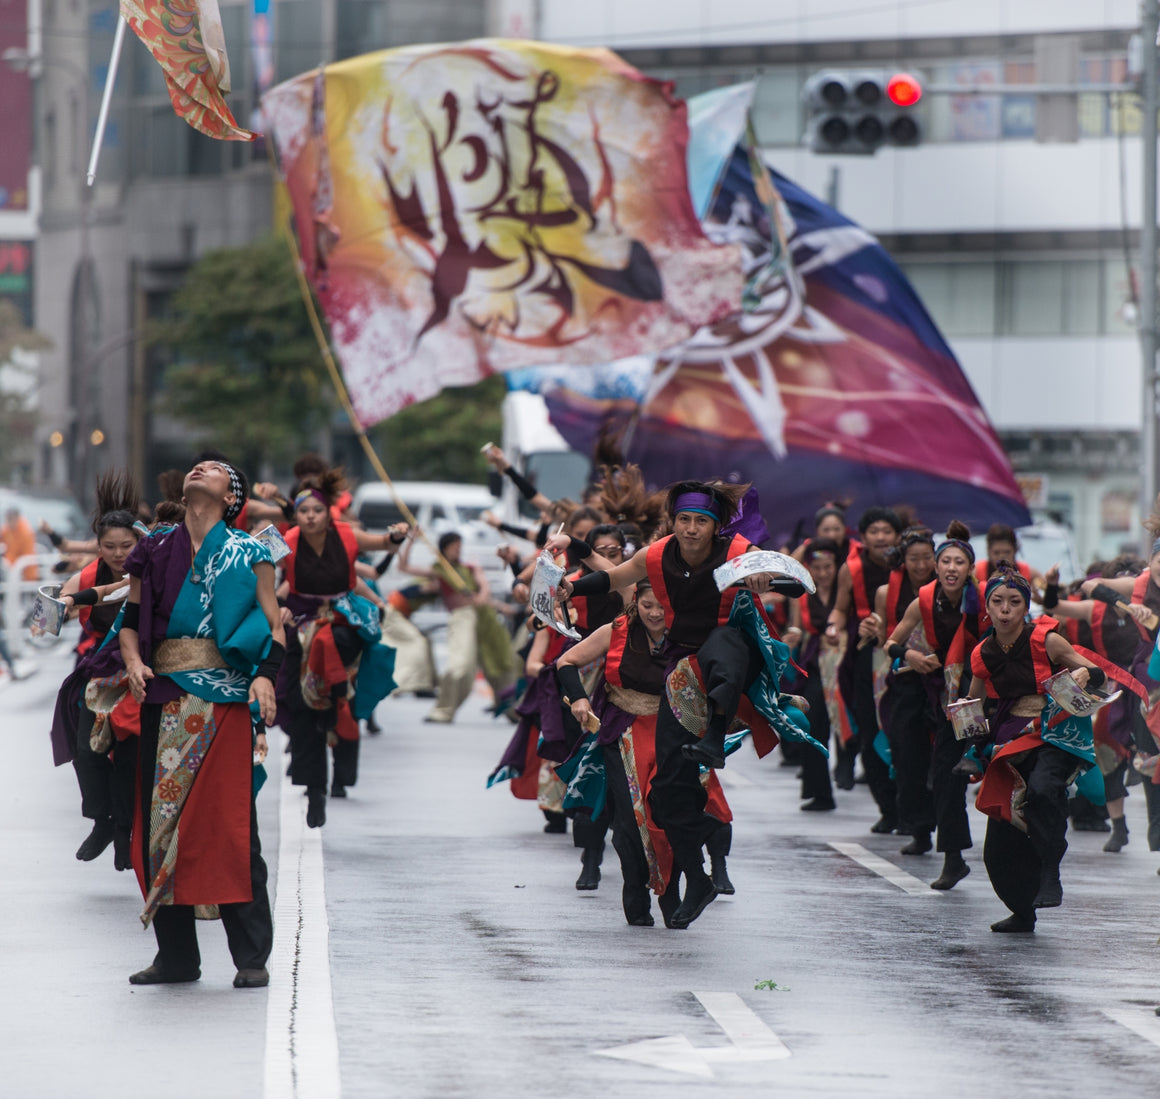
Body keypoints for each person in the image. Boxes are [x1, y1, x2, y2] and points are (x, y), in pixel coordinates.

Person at [559, 480, 811, 929]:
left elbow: (795, 585)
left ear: (715, 527)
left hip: (735, 655)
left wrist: (763, 577)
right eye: (684, 520)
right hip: (685, 671)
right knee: (665, 796)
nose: (692, 529)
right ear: (673, 523)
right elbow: (613, 578)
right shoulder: (656, 555)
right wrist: (568, 590)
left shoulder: (737, 549)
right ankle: (698, 878)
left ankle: (715, 734)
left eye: (701, 522)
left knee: (722, 644)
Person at [119, 457, 283, 987]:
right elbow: (128, 620)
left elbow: (273, 624)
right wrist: (134, 662)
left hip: (224, 701)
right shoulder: (155, 547)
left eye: (214, 468)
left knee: (230, 825)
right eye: (196, 466)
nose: (200, 469)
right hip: (164, 697)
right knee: (158, 828)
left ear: (231, 497)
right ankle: (178, 957)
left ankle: (251, 956)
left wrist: (264, 677)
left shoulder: (251, 551)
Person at [966, 569, 1142, 931]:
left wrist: (1082, 675)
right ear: (987, 607)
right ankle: (1022, 911)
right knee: (998, 841)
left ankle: (1051, 870)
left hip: (1055, 733)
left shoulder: (1046, 641)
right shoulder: (982, 653)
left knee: (1044, 789)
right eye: (997, 602)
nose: (1005, 610)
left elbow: (1096, 674)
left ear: (1025, 607)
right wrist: (968, 747)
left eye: (1014, 602)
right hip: (1012, 740)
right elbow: (973, 704)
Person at [557, 580, 734, 926]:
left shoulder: (693, 635)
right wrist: (579, 698)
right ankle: (635, 893)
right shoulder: (617, 630)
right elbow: (567, 661)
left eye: (662, 607)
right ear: (635, 601)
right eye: (647, 605)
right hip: (623, 734)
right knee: (629, 822)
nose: (654, 614)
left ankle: (673, 896)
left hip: (678, 734)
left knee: (675, 818)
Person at [277, 469, 405, 826]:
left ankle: (336, 697)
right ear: (296, 515)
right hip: (301, 619)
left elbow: (383, 545)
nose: (311, 517)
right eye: (304, 512)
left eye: (317, 511)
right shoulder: (286, 539)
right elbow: (262, 572)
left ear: (327, 512)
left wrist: (396, 536)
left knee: (335, 683)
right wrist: (276, 603)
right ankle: (315, 789)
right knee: (301, 708)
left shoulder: (347, 535)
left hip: (342, 618)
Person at [48, 470, 142, 868]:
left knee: (127, 757)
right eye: (110, 546)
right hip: (101, 675)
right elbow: (48, 617)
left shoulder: (152, 572)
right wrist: (58, 609)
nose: (120, 554)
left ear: (140, 543)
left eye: (127, 545)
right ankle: (102, 821)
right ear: (98, 547)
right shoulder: (87, 576)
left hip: (141, 675)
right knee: (87, 753)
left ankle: (124, 831)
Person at [882, 521, 982, 889]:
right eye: (947, 562)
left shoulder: (986, 598)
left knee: (967, 776)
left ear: (970, 569)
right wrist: (913, 655)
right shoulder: (924, 598)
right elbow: (890, 643)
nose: (952, 568)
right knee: (942, 775)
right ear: (936, 568)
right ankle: (952, 858)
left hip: (985, 696)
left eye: (960, 562)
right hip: (945, 698)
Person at [824, 507, 902, 827]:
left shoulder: (911, 566)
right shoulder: (850, 569)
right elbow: (840, 610)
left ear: (897, 536)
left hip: (903, 658)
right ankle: (887, 808)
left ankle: (910, 805)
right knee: (870, 732)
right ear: (863, 536)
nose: (881, 537)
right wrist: (833, 627)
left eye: (887, 531)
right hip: (864, 659)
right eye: (874, 531)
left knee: (903, 733)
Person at [401, 530, 513, 724]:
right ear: (445, 548)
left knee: (500, 663)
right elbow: (403, 567)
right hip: (463, 617)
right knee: (460, 666)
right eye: (454, 546)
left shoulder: (470, 568)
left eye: (460, 546)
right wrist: (411, 541)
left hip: (486, 619)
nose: (458, 550)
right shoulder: (439, 569)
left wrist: (482, 596)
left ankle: (514, 710)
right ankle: (443, 709)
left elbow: (484, 587)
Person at [872, 527, 938, 851]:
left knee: (943, 758)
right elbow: (888, 638)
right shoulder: (888, 592)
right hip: (906, 675)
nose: (921, 564)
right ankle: (918, 828)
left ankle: (948, 831)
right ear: (903, 559)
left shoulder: (951, 586)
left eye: (928, 557)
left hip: (943, 678)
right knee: (907, 755)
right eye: (914, 558)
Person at [782, 538, 845, 812]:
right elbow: (796, 628)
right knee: (811, 725)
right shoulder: (803, 595)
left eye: (828, 566)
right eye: (816, 567)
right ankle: (819, 791)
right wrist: (791, 637)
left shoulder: (846, 592)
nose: (822, 573)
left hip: (843, 666)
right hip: (815, 667)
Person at [1, 506, 39, 581]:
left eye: (11, 518)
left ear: (17, 518)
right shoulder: (7, 529)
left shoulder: (26, 533)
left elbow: (27, 555)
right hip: (9, 566)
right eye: (8, 519)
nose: (9, 521)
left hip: (24, 571)